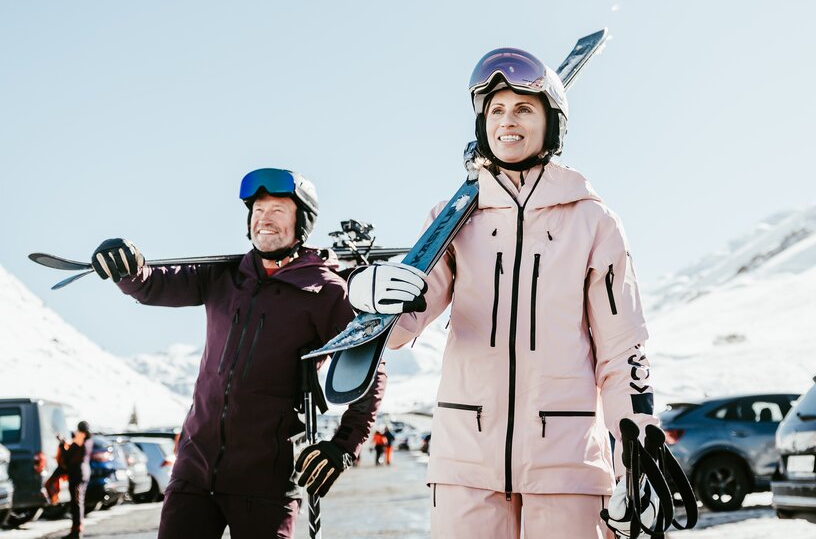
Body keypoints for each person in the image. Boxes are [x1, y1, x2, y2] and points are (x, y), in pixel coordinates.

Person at [347, 48, 659, 539]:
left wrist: (637, 452)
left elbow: (623, 351)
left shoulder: (592, 221)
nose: (507, 121)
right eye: (495, 110)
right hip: (464, 465)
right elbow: (403, 327)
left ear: (550, 123)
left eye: (523, 108)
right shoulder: (450, 220)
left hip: (566, 464)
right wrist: (369, 295)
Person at [90, 167, 385, 539]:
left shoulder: (324, 291)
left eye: (278, 210)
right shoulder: (223, 276)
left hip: (267, 481)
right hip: (194, 473)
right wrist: (127, 270)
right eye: (258, 211)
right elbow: (154, 285)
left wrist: (344, 445)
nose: (265, 220)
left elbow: (369, 366)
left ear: (302, 223)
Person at [62, 421, 93, 539]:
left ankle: (76, 531)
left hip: (77, 474)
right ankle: (76, 529)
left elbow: (68, 455)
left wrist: (62, 444)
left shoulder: (80, 440)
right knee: (79, 502)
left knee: (76, 503)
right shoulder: (89, 440)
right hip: (85, 472)